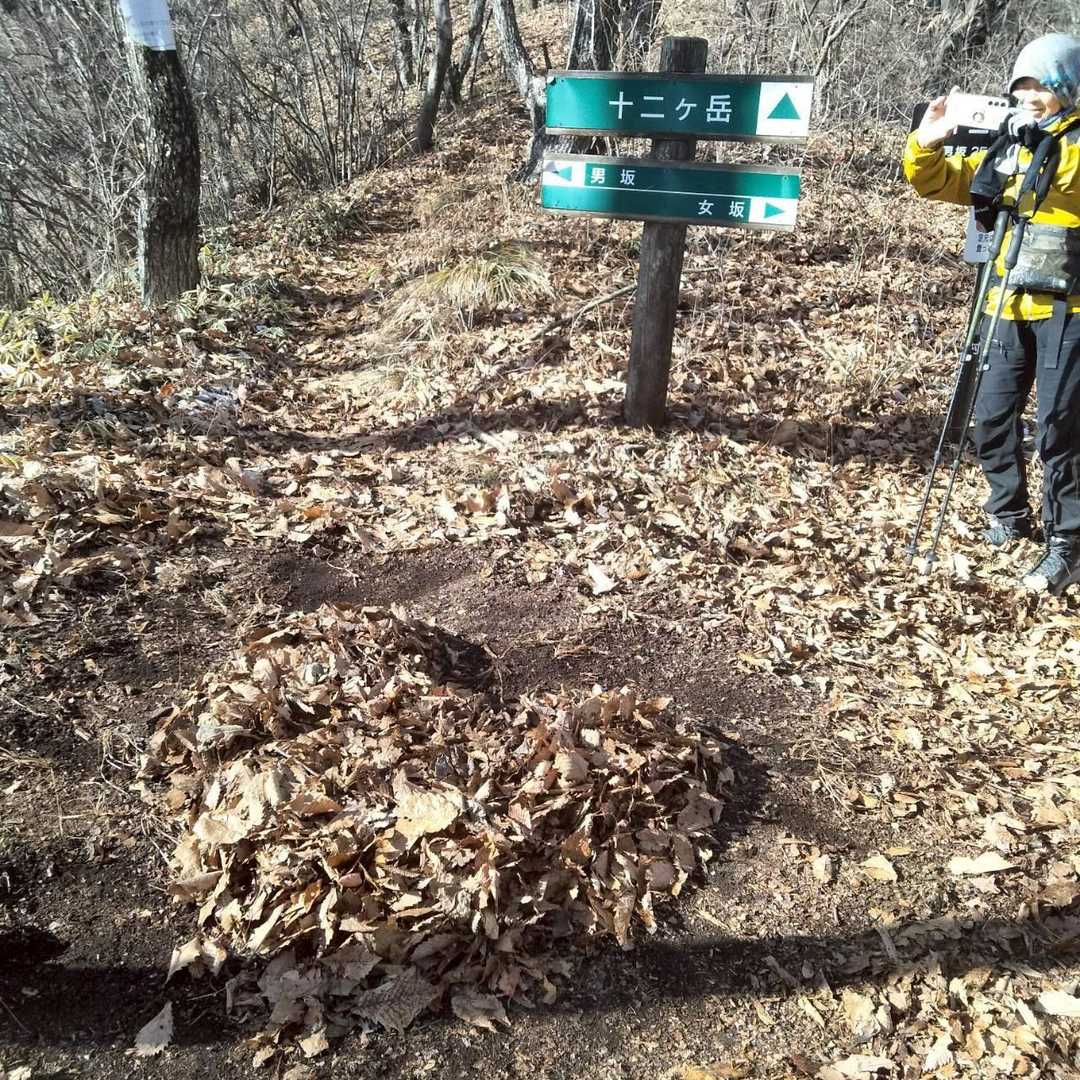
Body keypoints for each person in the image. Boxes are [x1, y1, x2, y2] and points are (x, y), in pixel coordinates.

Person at [904, 34, 1080, 595]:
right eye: (1020, 87)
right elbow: (936, 180)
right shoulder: (1010, 146)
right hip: (1006, 302)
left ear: (1067, 89)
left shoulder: (1072, 147)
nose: (1028, 97)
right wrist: (927, 140)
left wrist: (1042, 142)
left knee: (1059, 429)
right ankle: (1009, 513)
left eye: (1040, 86)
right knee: (992, 416)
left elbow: (1063, 180)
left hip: (1069, 310)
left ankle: (1067, 544)